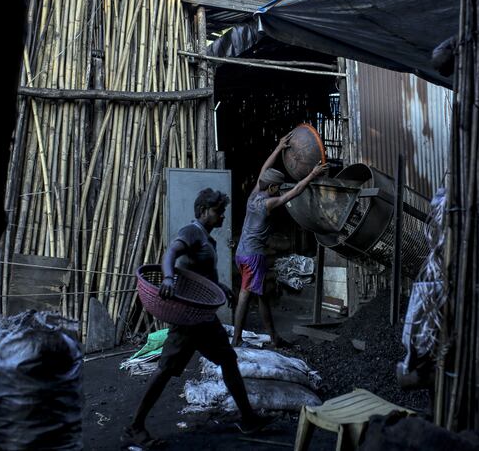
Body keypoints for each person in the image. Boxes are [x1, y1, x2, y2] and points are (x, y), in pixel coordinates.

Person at [122, 188, 274, 449]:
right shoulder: (192, 232)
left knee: (228, 359)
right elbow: (171, 253)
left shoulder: (207, 239)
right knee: (165, 370)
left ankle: (248, 419)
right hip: (187, 319)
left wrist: (221, 287)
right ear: (203, 211)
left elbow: (200, 275)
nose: (222, 216)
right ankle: (134, 427)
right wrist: (168, 278)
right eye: (218, 211)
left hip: (203, 318)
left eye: (223, 211)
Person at [232, 132, 328, 348]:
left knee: (261, 294)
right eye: (277, 188)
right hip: (253, 257)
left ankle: (274, 337)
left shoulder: (254, 196)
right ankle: (236, 339)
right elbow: (293, 192)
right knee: (246, 295)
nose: (278, 191)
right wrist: (312, 175)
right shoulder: (268, 204)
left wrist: (278, 148)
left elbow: (263, 171)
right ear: (272, 188)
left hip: (241, 253)